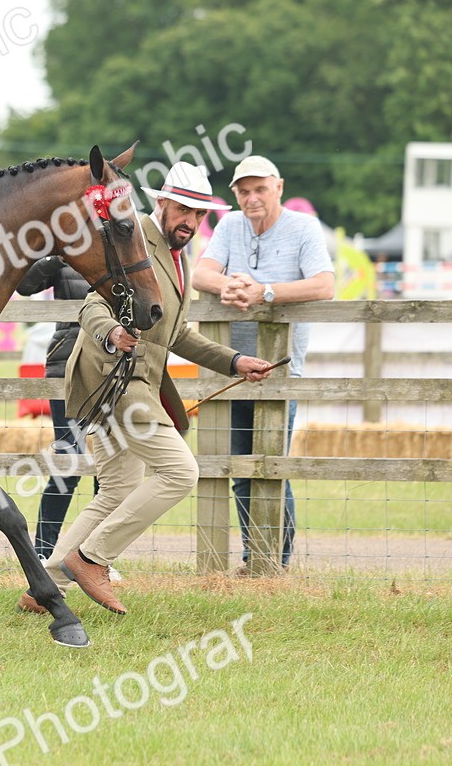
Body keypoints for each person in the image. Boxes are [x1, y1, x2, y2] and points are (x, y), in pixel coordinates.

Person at [18, 162, 275, 615]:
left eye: (198, 215)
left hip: (136, 386)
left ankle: (47, 586)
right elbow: (93, 306)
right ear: (161, 203)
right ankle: (92, 559)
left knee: (117, 489)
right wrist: (111, 334)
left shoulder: (182, 260)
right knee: (180, 472)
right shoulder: (132, 239)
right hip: (114, 383)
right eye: (183, 210)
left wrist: (234, 362)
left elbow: (176, 336)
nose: (190, 223)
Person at [193, 155, 335, 572]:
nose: (251, 198)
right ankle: (254, 557)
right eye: (243, 191)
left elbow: (324, 285)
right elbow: (202, 272)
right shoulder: (230, 225)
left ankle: (275, 560)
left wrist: (266, 293)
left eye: (259, 189)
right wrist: (231, 285)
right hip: (232, 365)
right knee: (239, 467)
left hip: (278, 367)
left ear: (279, 187)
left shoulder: (303, 227)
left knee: (271, 467)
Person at [15, 255, 114, 578]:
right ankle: (44, 551)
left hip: (111, 369)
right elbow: (26, 284)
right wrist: (59, 255)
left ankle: (97, 557)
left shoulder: (128, 246)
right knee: (67, 461)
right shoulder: (69, 250)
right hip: (65, 368)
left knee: (110, 469)